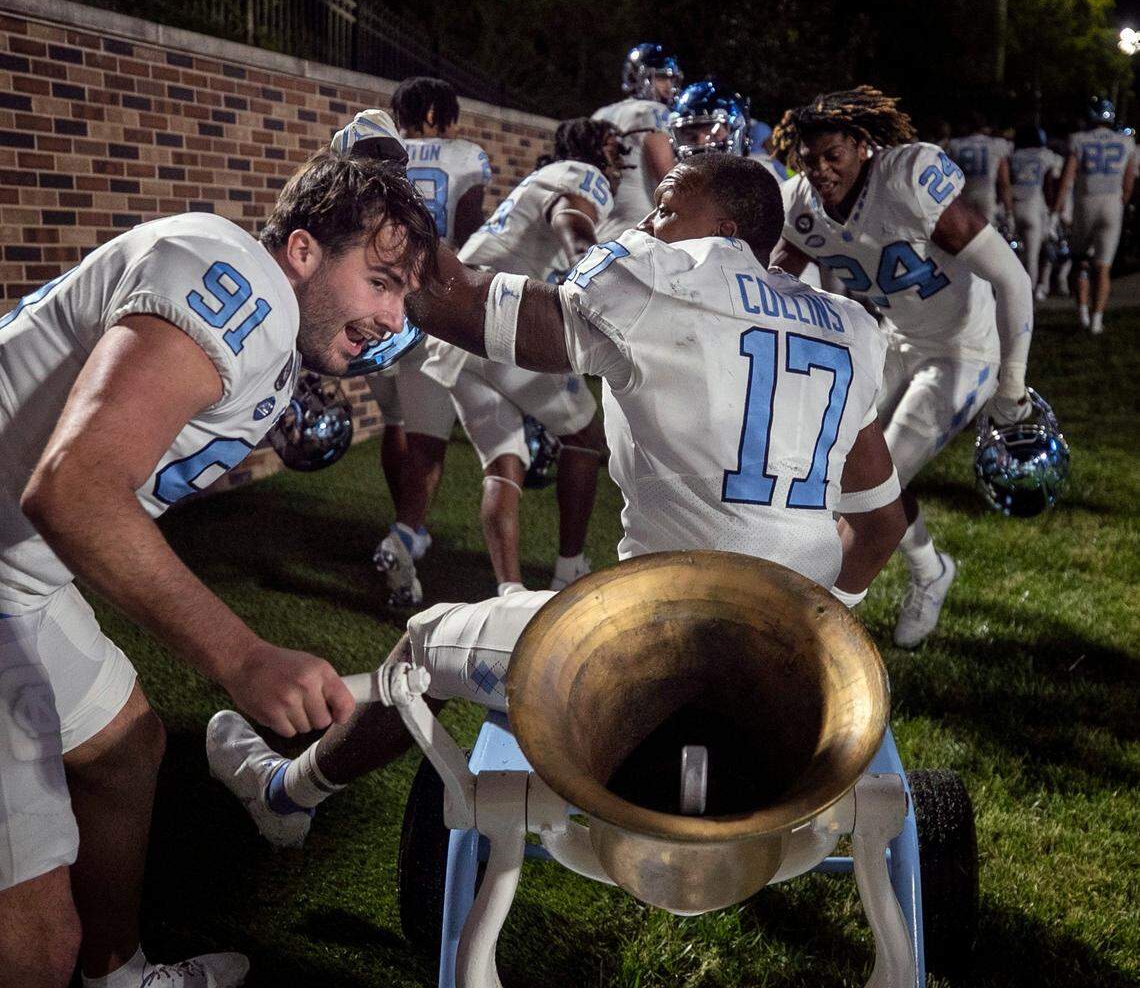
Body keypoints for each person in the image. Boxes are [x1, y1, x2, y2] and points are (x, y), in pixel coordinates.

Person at [206, 151, 908, 846]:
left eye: (667, 207)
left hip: (655, 654)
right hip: (798, 668)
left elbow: (459, 299)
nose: (651, 222)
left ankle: (286, 796)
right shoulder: (847, 324)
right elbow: (879, 525)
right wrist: (808, 627)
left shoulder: (664, 278)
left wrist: (380, 205)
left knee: (423, 645)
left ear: (723, 229)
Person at [0, 144, 437, 987]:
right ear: (304, 251)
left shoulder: (270, 326)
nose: (393, 315)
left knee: (125, 747)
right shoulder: (236, 282)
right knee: (33, 945)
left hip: (21, 577)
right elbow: (74, 486)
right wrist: (241, 655)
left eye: (404, 295)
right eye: (381, 282)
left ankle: (120, 974)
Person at [769, 86, 1034, 648]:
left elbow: (1012, 277)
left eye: (831, 155)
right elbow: (780, 278)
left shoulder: (906, 182)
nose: (819, 170)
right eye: (808, 159)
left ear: (863, 145)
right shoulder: (801, 203)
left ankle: (812, 634)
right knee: (836, 469)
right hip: (891, 339)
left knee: (875, 478)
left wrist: (1011, 384)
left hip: (964, 349)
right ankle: (929, 569)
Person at [415, 118, 621, 597]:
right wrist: (594, 270)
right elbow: (569, 217)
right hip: (493, 317)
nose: (617, 159)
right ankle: (570, 568)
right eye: (611, 147)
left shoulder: (538, 178)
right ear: (590, 148)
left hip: (450, 330)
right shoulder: (580, 175)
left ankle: (510, 593)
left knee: (504, 462)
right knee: (586, 435)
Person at [348, 81, 493, 604]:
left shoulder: (379, 148)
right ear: (436, 114)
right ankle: (407, 531)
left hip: (372, 302)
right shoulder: (466, 156)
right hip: (428, 301)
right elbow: (472, 231)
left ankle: (407, 524)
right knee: (429, 433)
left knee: (395, 422)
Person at [1052, 98, 1137, 334]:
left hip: (1086, 203)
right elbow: (1129, 182)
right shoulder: (1126, 141)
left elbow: (1068, 176)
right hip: (1112, 203)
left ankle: (1083, 315)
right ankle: (1097, 320)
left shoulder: (1079, 139)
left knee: (1081, 262)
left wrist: (1057, 207)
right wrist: (1123, 201)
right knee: (1103, 266)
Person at [592, 43, 681, 240]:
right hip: (638, 227)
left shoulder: (600, 114)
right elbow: (669, 178)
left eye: (671, 78)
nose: (668, 85)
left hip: (597, 227)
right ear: (637, 76)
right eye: (661, 77)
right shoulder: (653, 111)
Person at [1009, 124, 1064, 300]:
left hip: (1014, 205)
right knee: (1033, 255)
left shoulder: (1014, 155)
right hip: (1034, 206)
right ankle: (1028, 295)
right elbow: (1049, 185)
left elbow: (1007, 180)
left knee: (1015, 255)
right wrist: (1052, 208)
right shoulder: (1046, 156)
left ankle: (1011, 289)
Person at [947, 112, 1013, 226]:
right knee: (986, 238)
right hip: (986, 197)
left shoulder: (955, 145)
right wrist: (1009, 212)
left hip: (963, 198)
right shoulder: (996, 144)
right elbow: (1004, 182)